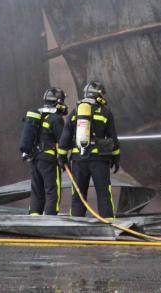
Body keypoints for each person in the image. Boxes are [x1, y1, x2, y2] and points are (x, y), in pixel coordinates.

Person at [58, 80, 121, 218]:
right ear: (99, 95)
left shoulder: (75, 112)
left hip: (78, 160)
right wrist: (116, 157)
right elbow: (113, 138)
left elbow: (65, 137)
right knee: (103, 193)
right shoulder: (105, 112)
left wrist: (62, 157)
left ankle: (76, 222)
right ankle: (107, 222)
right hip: (99, 160)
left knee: (78, 194)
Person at [19, 87, 68, 215]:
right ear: (58, 101)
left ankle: (34, 217)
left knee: (37, 190)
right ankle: (50, 217)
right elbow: (63, 140)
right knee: (52, 190)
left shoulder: (38, 116)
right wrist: (64, 159)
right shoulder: (56, 118)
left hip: (34, 158)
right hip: (49, 160)